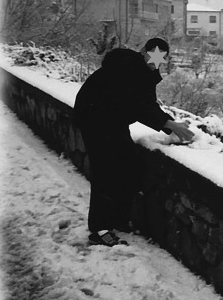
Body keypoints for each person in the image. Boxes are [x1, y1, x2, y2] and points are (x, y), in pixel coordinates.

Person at [74, 38, 194, 246]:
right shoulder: (127, 68)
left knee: (130, 164)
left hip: (112, 121)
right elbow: (139, 105)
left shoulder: (142, 72)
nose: (155, 61)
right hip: (95, 120)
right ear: (143, 51)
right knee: (105, 171)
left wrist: (170, 125)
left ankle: (119, 218)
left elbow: (146, 104)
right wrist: (170, 125)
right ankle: (100, 229)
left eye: (161, 58)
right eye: (153, 55)